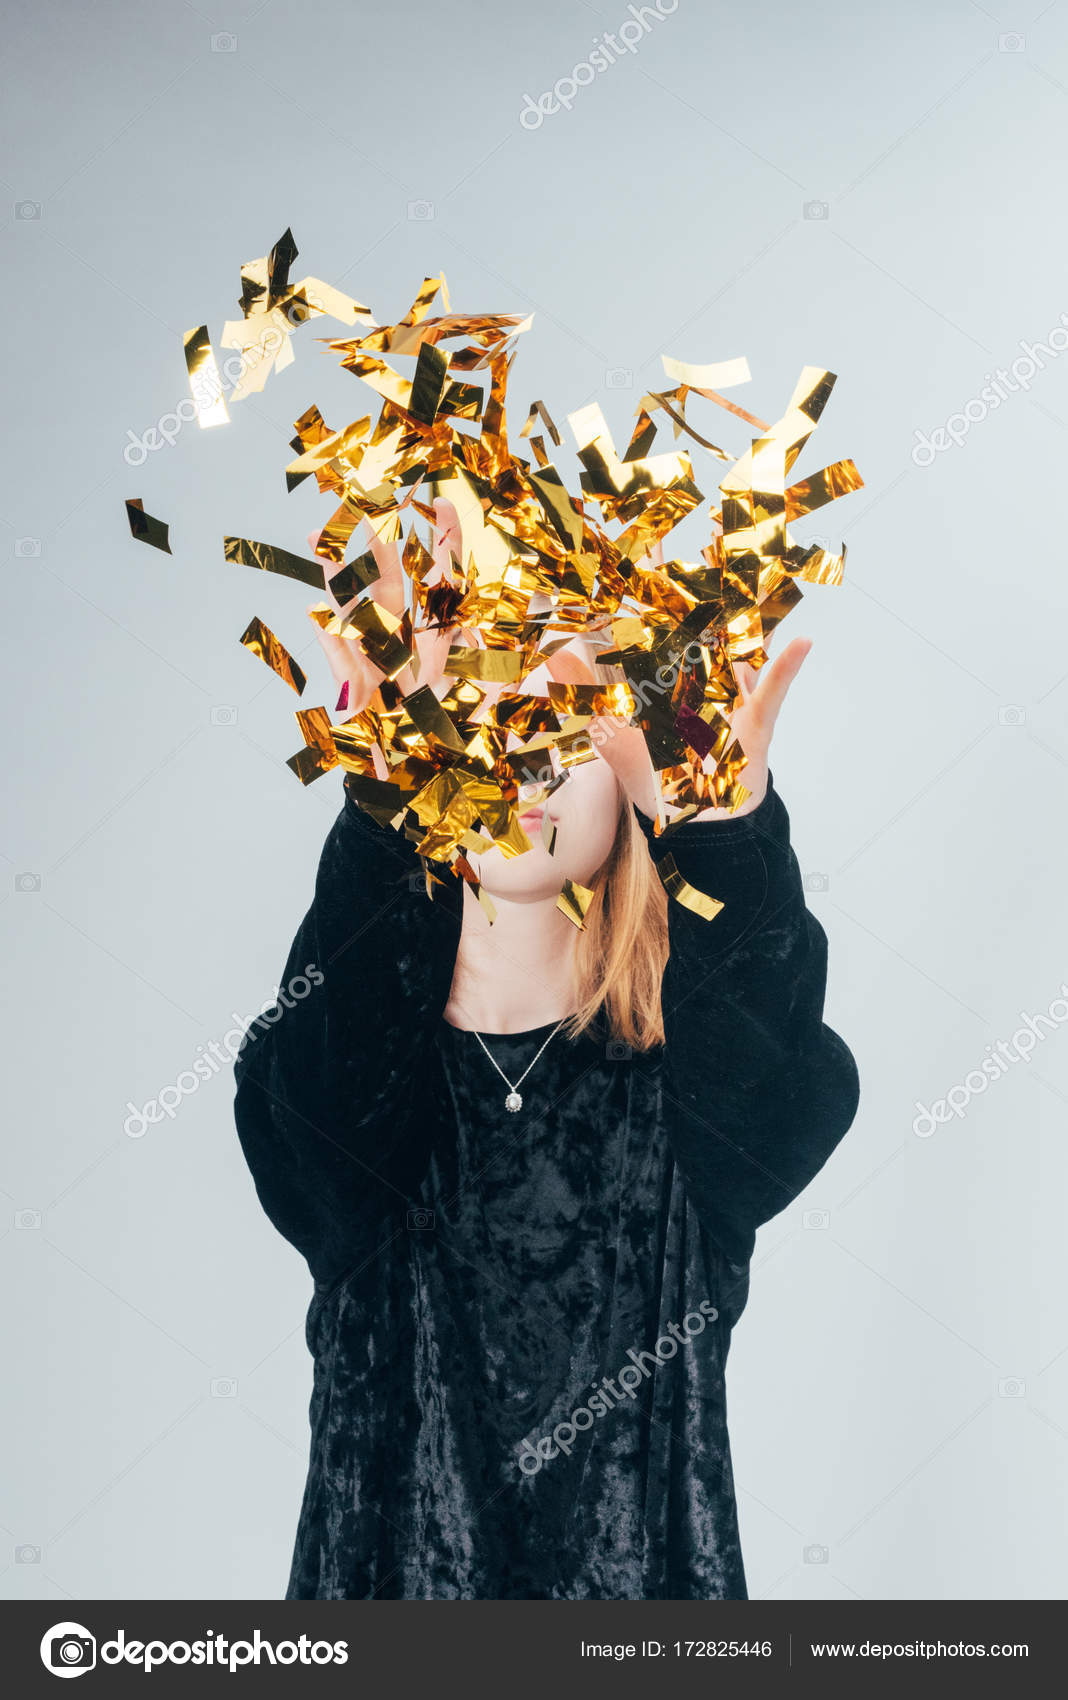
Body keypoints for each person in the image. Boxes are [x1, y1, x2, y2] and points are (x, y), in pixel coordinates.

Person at [232, 501, 861, 1600]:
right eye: (480, 716)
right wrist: (385, 810)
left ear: (632, 773)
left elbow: (767, 1072)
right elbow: (335, 1076)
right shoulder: (343, 1084)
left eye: (564, 729)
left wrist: (723, 833)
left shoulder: (695, 1096)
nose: (519, 762)